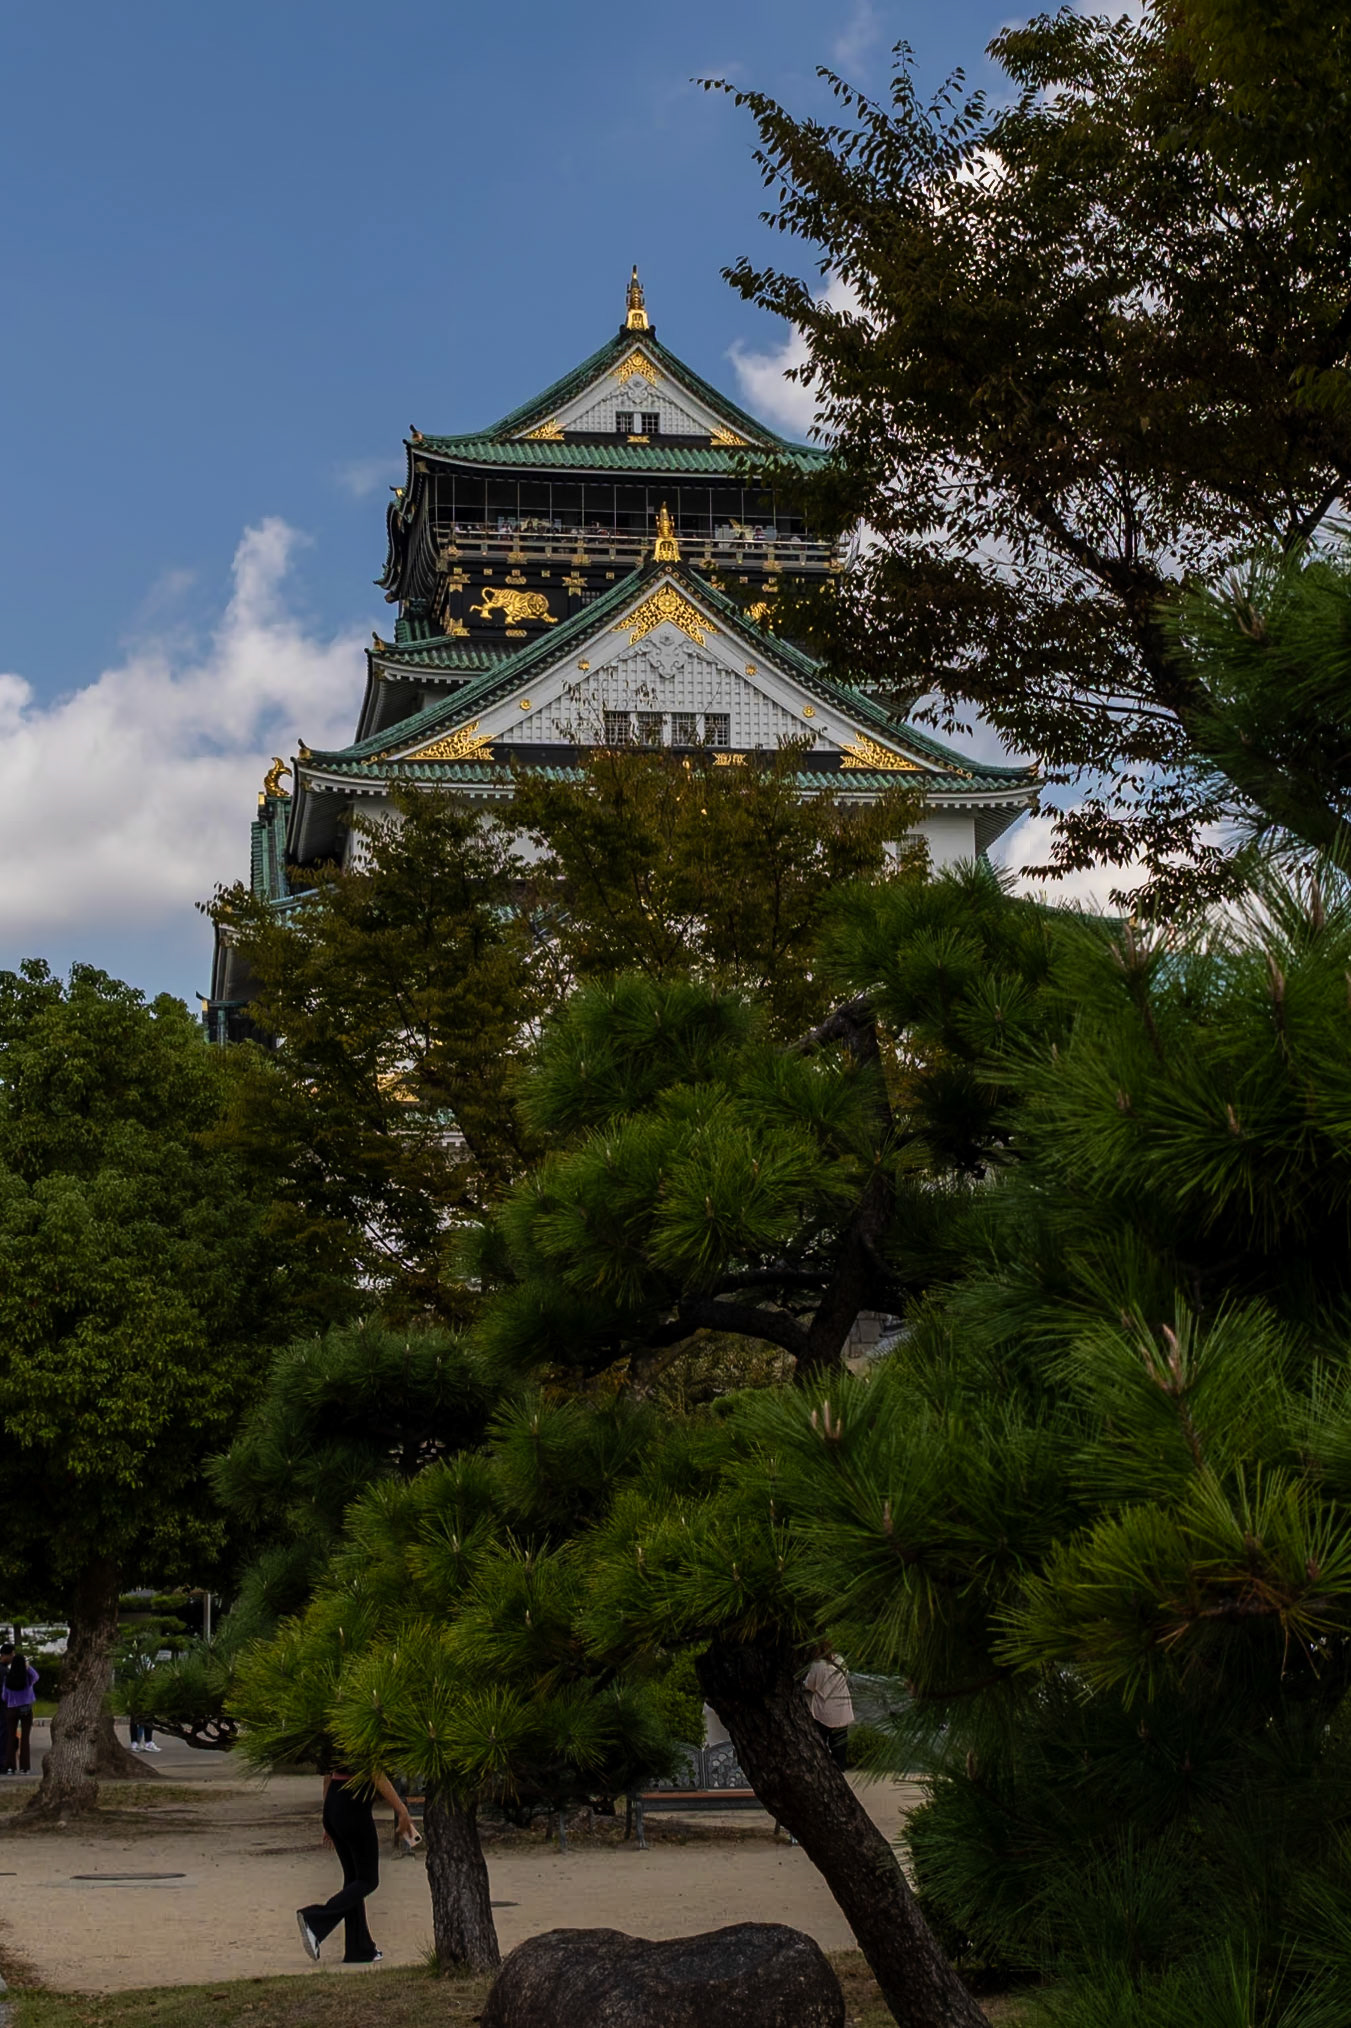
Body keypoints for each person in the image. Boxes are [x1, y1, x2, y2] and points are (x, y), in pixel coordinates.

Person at [296, 1761, 416, 1966]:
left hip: (334, 1800)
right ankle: (315, 1919)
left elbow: (328, 1773)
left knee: (353, 1880)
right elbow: (375, 1771)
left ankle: (359, 1948)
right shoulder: (366, 1733)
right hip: (353, 1804)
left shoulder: (335, 1731)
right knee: (368, 1880)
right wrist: (401, 1809)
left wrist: (328, 1815)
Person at [803, 1644, 854, 1771]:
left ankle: (820, 1769)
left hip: (824, 1712)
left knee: (819, 1742)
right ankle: (839, 1771)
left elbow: (809, 1685)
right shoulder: (839, 1660)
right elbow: (846, 1676)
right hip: (842, 1709)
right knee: (840, 1746)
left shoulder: (817, 1665)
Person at [0, 1644, 38, 1775]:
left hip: (11, 1710)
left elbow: (4, 1697)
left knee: (10, 1737)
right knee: (25, 1739)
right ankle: (24, 1767)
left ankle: (10, 1767)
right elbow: (36, 1677)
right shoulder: (27, 1679)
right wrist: (28, 1667)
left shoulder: (7, 1679)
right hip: (26, 1709)